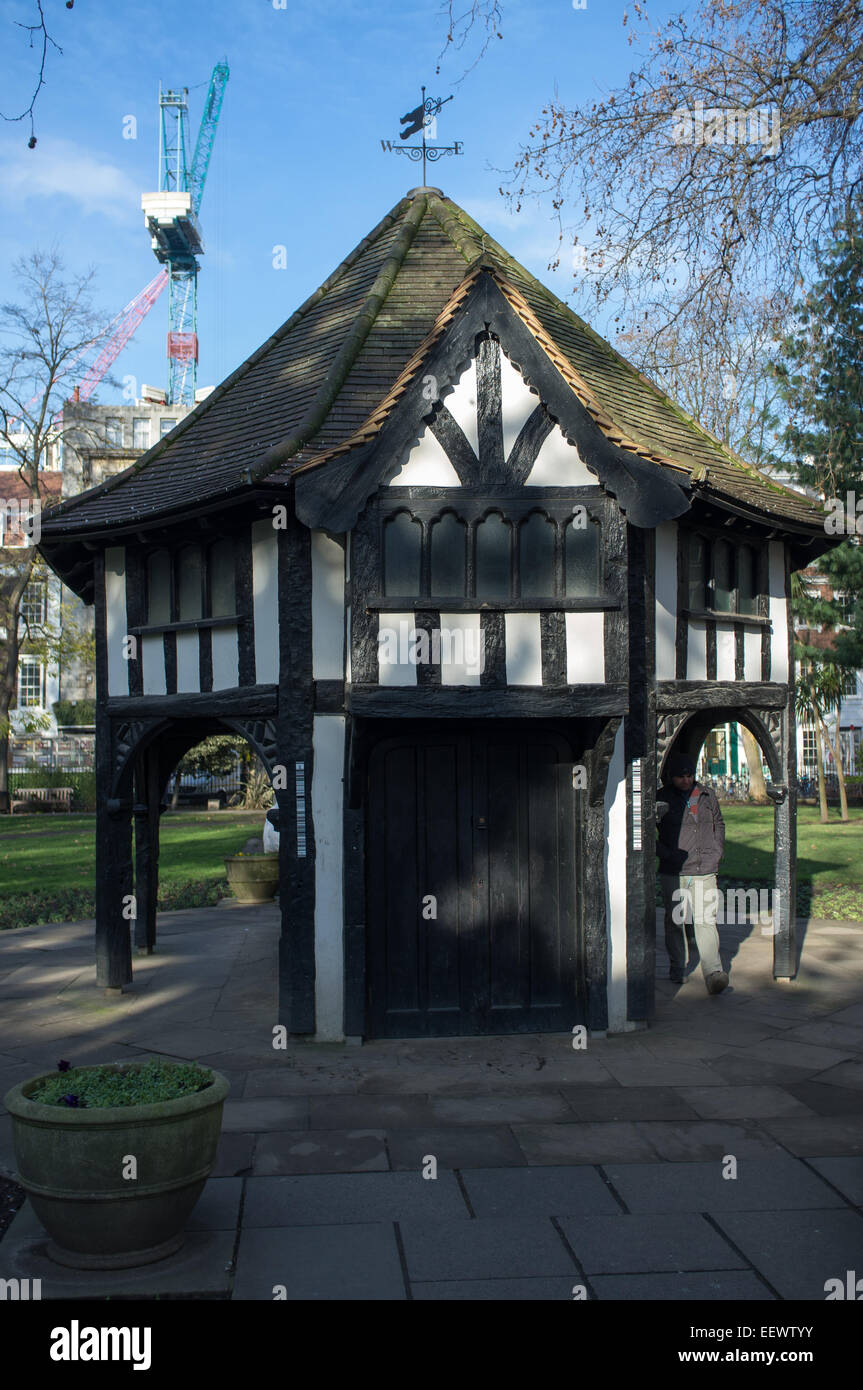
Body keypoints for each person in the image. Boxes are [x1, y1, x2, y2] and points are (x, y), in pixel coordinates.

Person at [657, 753, 729, 995]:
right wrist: (666, 854)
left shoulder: (707, 795)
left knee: (706, 919)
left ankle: (713, 972)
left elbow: (718, 823)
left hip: (704, 868)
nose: (686, 781)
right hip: (673, 870)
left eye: (689, 775)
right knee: (675, 920)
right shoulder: (661, 798)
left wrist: (716, 852)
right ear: (672, 778)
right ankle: (678, 967)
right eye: (681, 777)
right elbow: (647, 830)